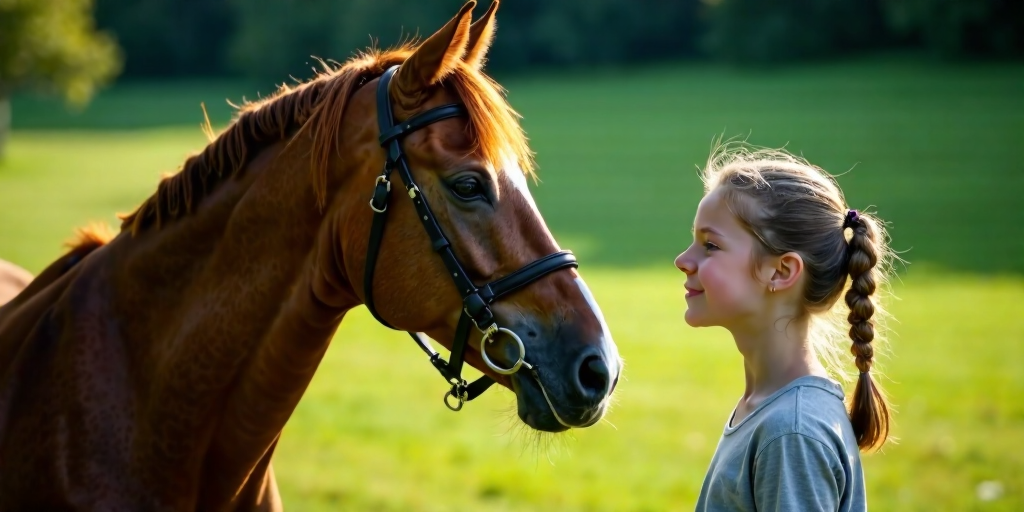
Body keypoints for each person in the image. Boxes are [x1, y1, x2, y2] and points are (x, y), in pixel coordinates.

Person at [675, 144, 896, 511]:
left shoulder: (792, 431)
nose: (683, 260)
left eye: (710, 245)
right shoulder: (768, 410)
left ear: (781, 271)